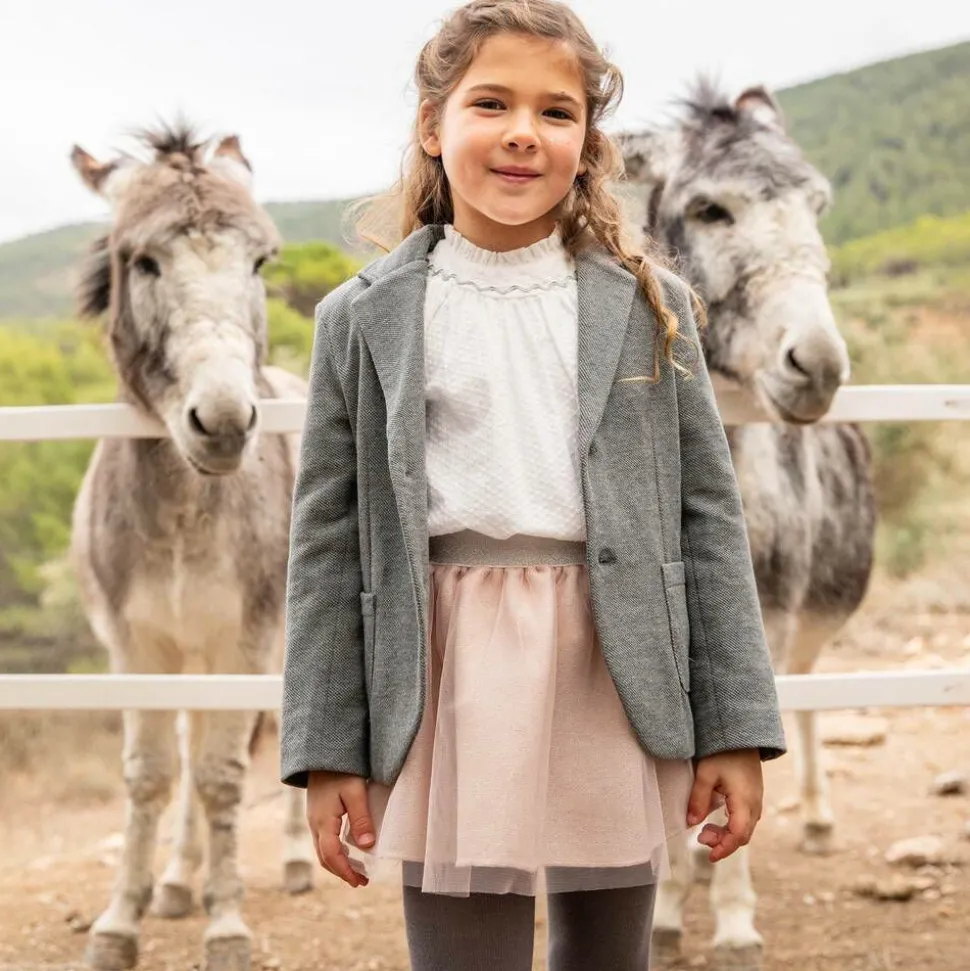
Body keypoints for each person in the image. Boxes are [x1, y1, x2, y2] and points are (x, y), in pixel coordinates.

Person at [281, 1, 786, 967]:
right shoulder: (361, 317)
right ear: (433, 127)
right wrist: (326, 743)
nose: (524, 132)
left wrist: (736, 726)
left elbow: (706, 517)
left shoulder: (650, 304)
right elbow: (326, 541)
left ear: (588, 140)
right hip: (442, 668)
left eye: (558, 112)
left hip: (614, 655)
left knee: (610, 953)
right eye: (492, 103)